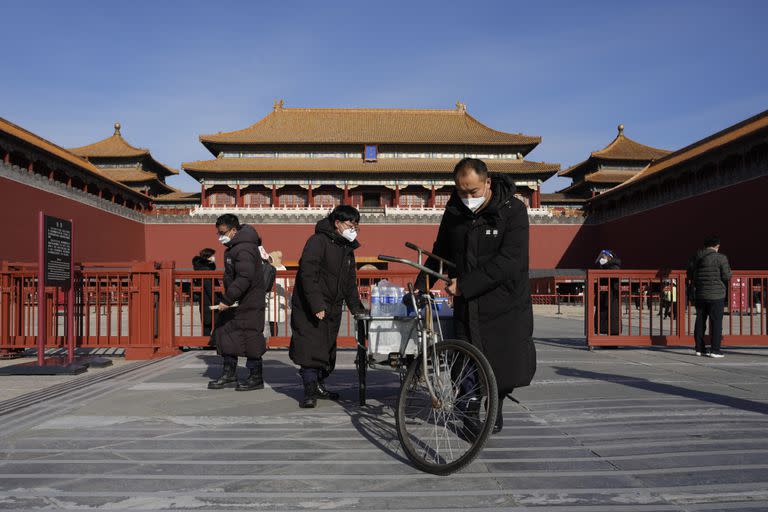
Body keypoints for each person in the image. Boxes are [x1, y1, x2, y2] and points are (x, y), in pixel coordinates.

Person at [415, 157, 536, 434]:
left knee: (503, 366)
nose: (467, 197)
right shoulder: (454, 212)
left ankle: (496, 405)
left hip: (505, 302)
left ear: (488, 183)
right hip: (468, 305)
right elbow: (440, 251)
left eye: (473, 191)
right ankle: (468, 409)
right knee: (466, 361)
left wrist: (466, 284)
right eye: (461, 191)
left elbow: (511, 260)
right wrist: (423, 282)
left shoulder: (513, 211)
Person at [289, 205, 367, 408]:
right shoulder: (317, 241)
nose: (354, 229)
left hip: (333, 305)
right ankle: (309, 391)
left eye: (357, 226)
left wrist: (356, 308)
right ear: (338, 223)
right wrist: (316, 303)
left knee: (327, 349)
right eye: (351, 224)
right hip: (311, 305)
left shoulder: (346, 247)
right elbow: (308, 273)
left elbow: (350, 282)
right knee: (310, 348)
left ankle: (319, 385)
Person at [207, 214, 267, 391]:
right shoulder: (235, 247)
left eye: (223, 232)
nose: (220, 236)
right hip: (238, 300)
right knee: (227, 334)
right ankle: (229, 373)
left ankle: (255, 376)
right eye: (218, 232)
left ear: (234, 230)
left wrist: (227, 298)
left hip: (248, 301)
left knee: (251, 337)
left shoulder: (244, 249)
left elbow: (245, 276)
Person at [687, 235, 731, 358]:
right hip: (717, 294)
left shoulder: (696, 256)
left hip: (700, 293)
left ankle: (699, 349)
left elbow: (689, 274)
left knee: (700, 321)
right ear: (717, 245)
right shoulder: (721, 258)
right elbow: (727, 276)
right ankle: (715, 350)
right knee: (716, 322)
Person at [595, 249, 621, 335]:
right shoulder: (602, 267)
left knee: (612, 317)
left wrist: (606, 265)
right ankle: (605, 337)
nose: (601, 259)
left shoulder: (614, 266)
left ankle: (613, 339)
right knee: (603, 317)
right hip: (604, 295)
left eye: (603, 257)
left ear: (609, 257)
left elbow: (614, 276)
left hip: (612, 296)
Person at [192, 248, 217, 337]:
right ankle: (210, 342)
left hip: (205, 298)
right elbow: (208, 285)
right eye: (212, 256)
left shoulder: (205, 268)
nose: (214, 257)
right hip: (208, 297)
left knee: (207, 321)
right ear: (207, 257)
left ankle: (206, 343)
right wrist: (216, 299)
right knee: (212, 320)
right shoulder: (205, 269)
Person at [266, 250, 288, 337]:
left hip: (273, 298)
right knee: (274, 321)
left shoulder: (272, 269)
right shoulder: (283, 268)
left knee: (272, 321)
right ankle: (274, 339)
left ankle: (273, 339)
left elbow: (271, 283)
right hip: (279, 298)